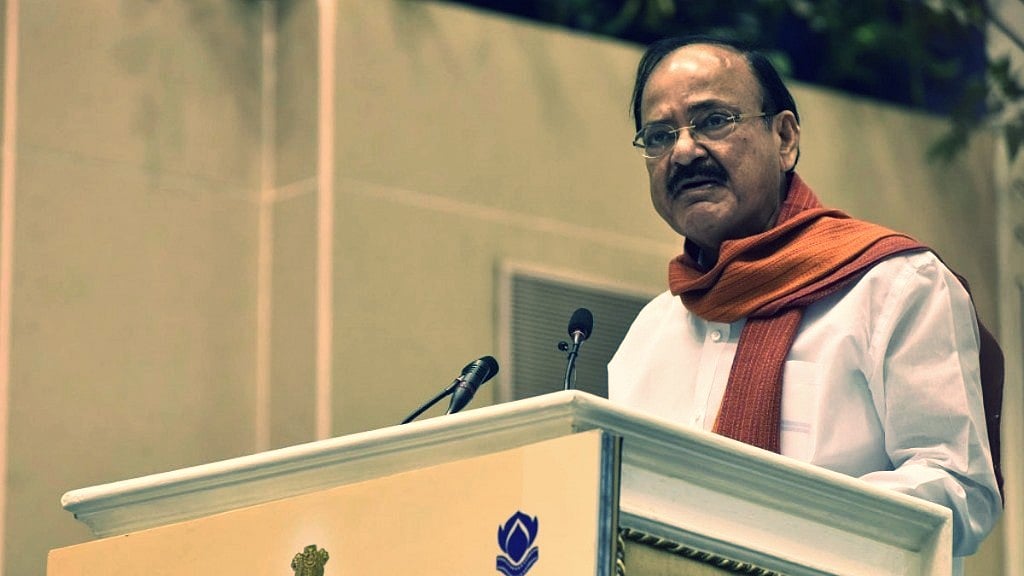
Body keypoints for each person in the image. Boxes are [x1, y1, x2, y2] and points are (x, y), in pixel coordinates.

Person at [607, 35, 1002, 569]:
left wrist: (774, 527)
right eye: (659, 135)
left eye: (714, 120)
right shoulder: (650, 334)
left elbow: (957, 487)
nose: (683, 151)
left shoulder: (894, 286)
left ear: (785, 138)